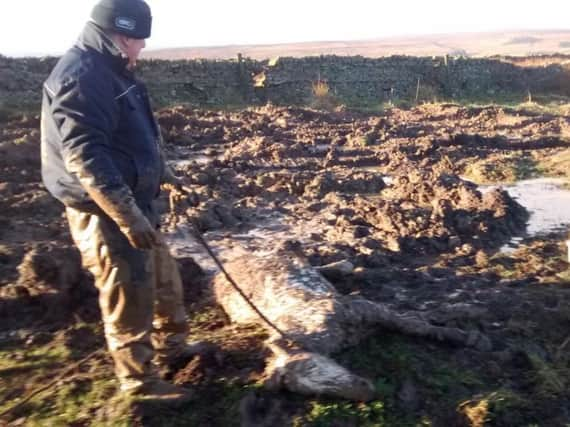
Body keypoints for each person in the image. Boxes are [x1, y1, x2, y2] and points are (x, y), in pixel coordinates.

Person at [41, 0, 195, 403]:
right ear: (121, 35)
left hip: (135, 200)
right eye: (139, 40)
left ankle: (174, 349)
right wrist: (126, 216)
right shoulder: (83, 76)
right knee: (129, 293)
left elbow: (135, 135)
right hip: (104, 209)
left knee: (163, 278)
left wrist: (165, 174)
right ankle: (139, 383)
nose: (142, 48)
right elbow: (86, 156)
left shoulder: (112, 70)